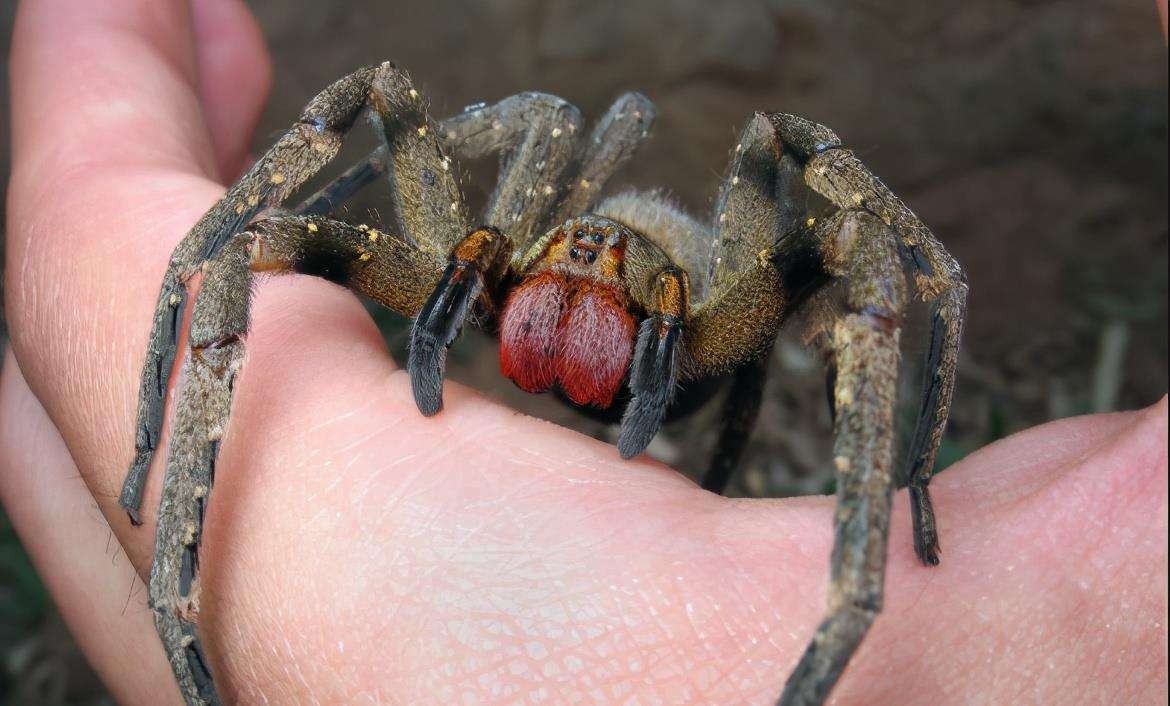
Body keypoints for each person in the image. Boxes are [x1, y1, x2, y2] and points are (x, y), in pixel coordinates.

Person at [1, 1, 1165, 703]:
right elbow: (393, 117)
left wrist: (884, 534)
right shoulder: (493, 240)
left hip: (695, 322)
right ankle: (175, 575)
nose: (583, 280)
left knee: (841, 226)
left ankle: (854, 592)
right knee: (311, 188)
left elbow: (909, 262)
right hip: (505, 263)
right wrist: (180, 306)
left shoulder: (724, 314)